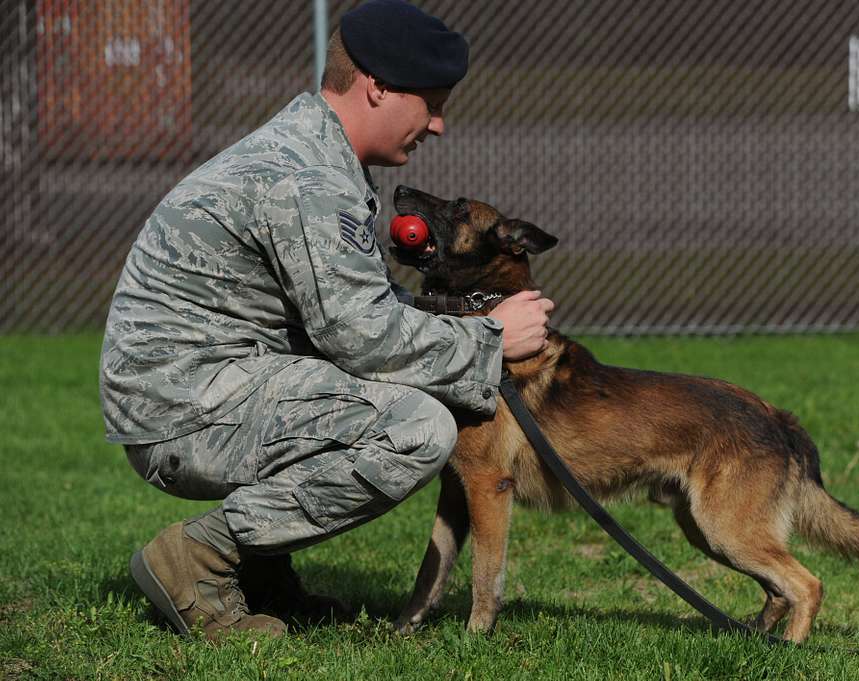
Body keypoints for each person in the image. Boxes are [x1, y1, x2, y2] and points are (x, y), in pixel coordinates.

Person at [100, 0, 553, 639]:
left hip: (197, 387)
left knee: (375, 394)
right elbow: (361, 337)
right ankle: (196, 560)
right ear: (379, 87)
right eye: (432, 102)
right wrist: (491, 341)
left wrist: (473, 333)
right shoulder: (308, 178)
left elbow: (355, 316)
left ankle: (261, 576)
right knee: (416, 429)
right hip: (180, 408)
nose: (439, 124)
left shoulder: (315, 155)